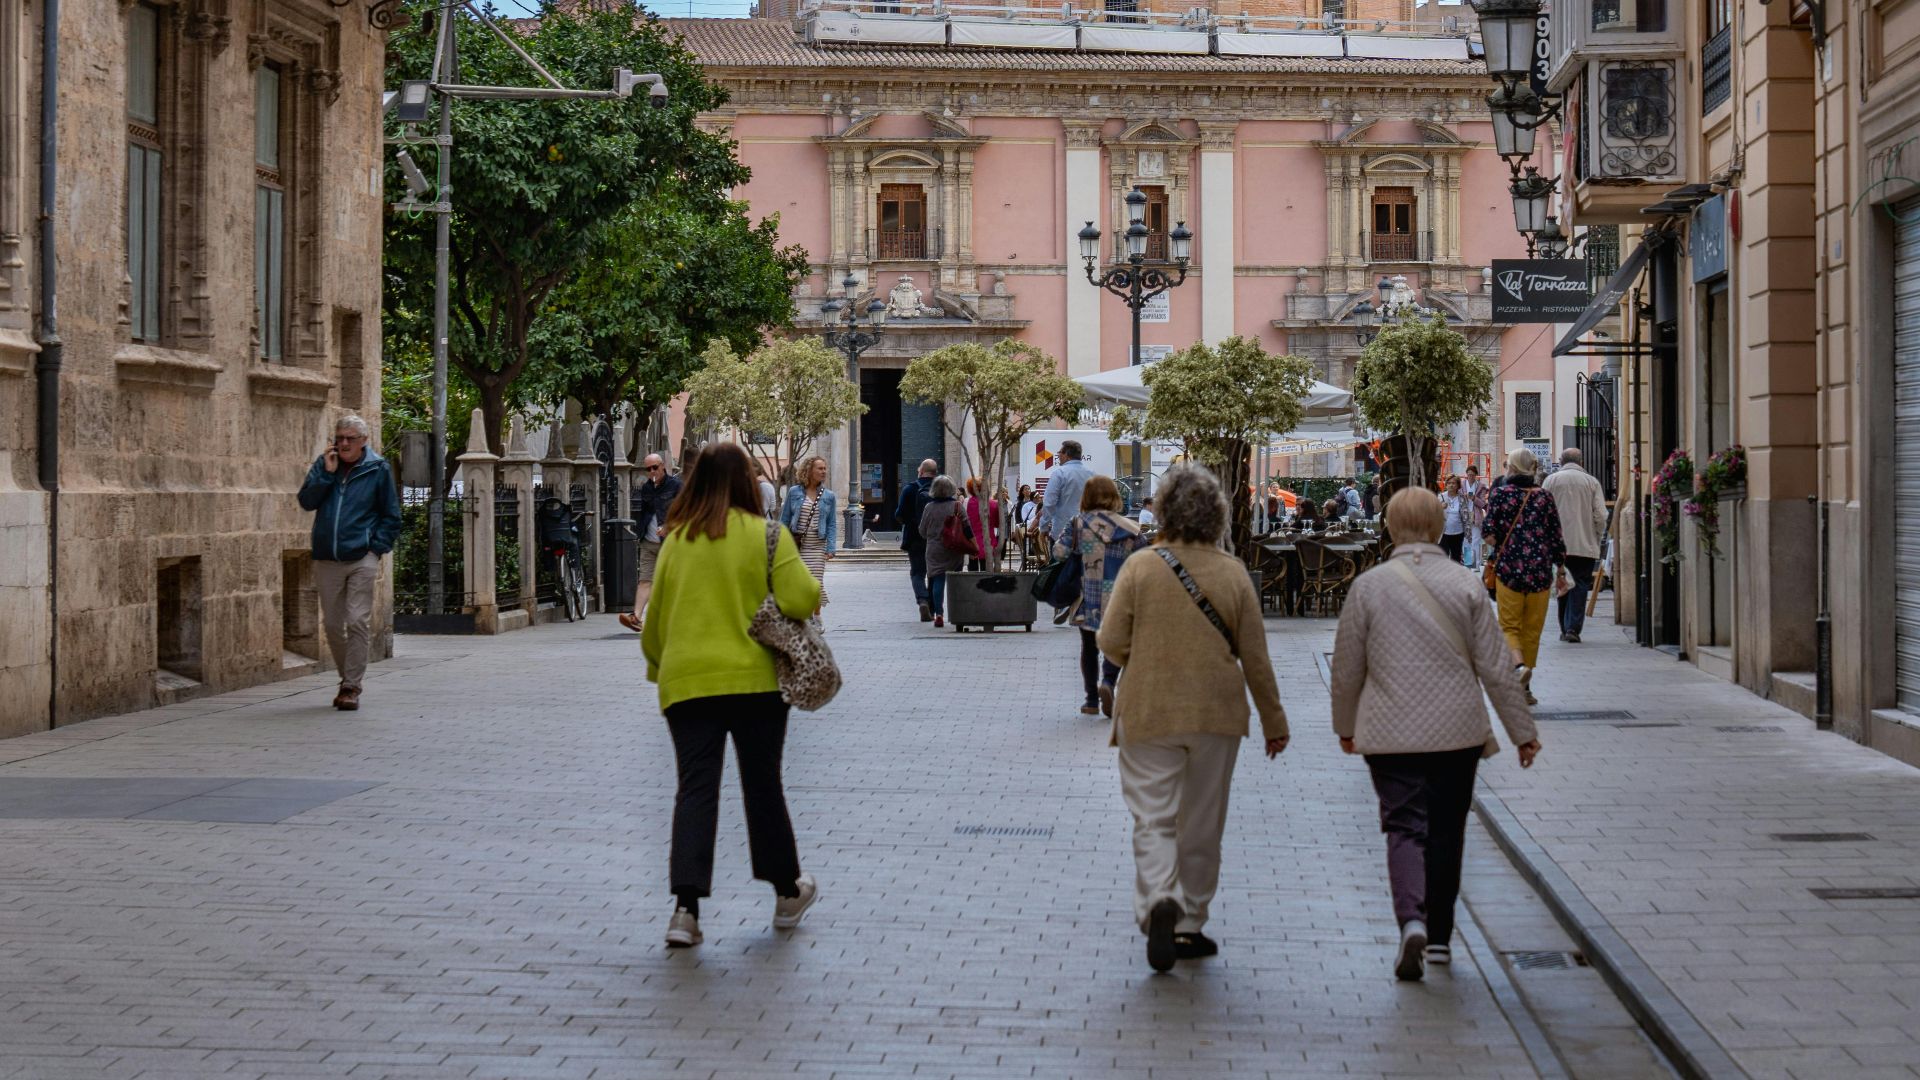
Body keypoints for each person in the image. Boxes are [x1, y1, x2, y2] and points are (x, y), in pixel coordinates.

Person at [1329, 487, 1540, 981]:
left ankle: (1411, 921)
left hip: (1389, 732)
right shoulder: (1465, 584)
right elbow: (1494, 665)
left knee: (1403, 826)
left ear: (1390, 527)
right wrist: (1522, 732)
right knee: (1448, 830)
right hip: (1456, 733)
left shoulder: (1370, 586)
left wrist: (1345, 726)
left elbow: (1346, 668)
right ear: (1436, 524)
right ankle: (1441, 940)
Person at [1098, 465, 1289, 972]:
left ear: (1163, 510)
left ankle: (1159, 897)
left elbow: (1111, 643)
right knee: (1202, 823)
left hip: (1149, 709)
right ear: (1217, 515)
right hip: (1215, 713)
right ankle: (1191, 922)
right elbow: (1256, 657)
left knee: (1153, 818)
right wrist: (1275, 722)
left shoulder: (1141, 568)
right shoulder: (1232, 573)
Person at [640, 442, 822, 949]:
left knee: (694, 788)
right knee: (762, 785)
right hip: (756, 683)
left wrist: (662, 670)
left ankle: (685, 911)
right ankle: (787, 891)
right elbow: (803, 598)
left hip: (688, 683)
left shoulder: (678, 540)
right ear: (746, 483)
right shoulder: (767, 535)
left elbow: (655, 621)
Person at [297, 414, 402, 712]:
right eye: (339, 438)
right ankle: (347, 677)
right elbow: (307, 501)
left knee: (356, 620)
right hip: (327, 557)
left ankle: (351, 685)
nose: (343, 443)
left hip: (361, 556)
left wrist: (376, 549)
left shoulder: (378, 469)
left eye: (349, 439)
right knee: (332, 624)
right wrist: (327, 474)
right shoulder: (324, 465)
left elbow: (391, 515)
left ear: (363, 442)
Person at [1054, 476, 1146, 718]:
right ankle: (1108, 680)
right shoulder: (1130, 528)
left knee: (1089, 646)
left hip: (1087, 595)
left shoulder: (1078, 524)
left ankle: (1092, 700)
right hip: (1120, 596)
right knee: (1116, 643)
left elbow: (1060, 553)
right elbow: (1145, 559)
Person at [1481, 449, 1565, 705]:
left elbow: (1488, 532)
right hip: (1540, 572)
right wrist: (1560, 568)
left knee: (1509, 625)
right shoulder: (1544, 497)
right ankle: (1525, 685)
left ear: (1512, 467)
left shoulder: (1501, 495)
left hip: (1509, 571)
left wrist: (1501, 540)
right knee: (1532, 629)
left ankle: (1518, 667)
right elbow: (1555, 536)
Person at [1542, 447, 1608, 643]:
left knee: (1561, 583)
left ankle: (1564, 626)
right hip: (1584, 544)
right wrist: (1596, 536)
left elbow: (1542, 512)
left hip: (1557, 545)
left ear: (1561, 461)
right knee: (1579, 584)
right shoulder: (1591, 482)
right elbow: (1601, 515)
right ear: (1582, 462)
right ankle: (1573, 628)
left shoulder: (1551, 481)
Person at [618, 453, 681, 633]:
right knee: (645, 580)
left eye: (655, 467)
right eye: (648, 469)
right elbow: (645, 513)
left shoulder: (676, 486)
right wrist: (640, 532)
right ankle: (637, 618)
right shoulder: (646, 488)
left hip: (669, 543)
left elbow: (685, 511)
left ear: (663, 466)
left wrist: (670, 525)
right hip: (648, 541)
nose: (652, 471)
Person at [780, 454, 838, 608]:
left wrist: (831, 548)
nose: (824, 471)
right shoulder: (794, 492)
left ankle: (816, 616)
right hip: (798, 546)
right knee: (801, 582)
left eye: (825, 468)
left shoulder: (829, 496)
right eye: (820, 468)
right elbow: (784, 520)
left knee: (816, 582)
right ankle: (808, 615)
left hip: (818, 546)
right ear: (809, 470)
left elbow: (832, 523)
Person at [917, 476, 970, 628]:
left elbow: (922, 531)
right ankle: (958, 612)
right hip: (954, 549)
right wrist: (972, 544)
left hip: (935, 550)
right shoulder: (957, 506)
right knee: (956, 581)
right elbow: (967, 526)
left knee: (938, 581)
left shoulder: (929, 507)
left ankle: (939, 614)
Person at [895, 459, 938, 622]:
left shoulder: (910, 489)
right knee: (935, 573)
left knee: (917, 572)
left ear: (920, 471)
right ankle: (933, 609)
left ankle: (922, 601)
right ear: (935, 472)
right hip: (936, 538)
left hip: (914, 537)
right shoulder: (942, 487)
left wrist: (909, 521)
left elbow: (899, 514)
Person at [964, 477, 1000, 572]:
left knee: (972, 574)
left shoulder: (966, 502)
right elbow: (997, 524)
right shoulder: (993, 504)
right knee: (986, 573)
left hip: (972, 544)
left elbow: (964, 524)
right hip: (988, 543)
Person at [1438, 476, 1470, 563]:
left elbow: (1466, 516)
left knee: (1456, 558)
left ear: (1458, 485)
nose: (1451, 485)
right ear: (1446, 485)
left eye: (1453, 483)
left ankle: (1455, 576)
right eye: (1449, 483)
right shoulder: (1440, 497)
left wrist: (1468, 533)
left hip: (1458, 532)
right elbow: (1433, 512)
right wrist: (1440, 507)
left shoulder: (1462, 498)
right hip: (1444, 533)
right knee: (1443, 559)